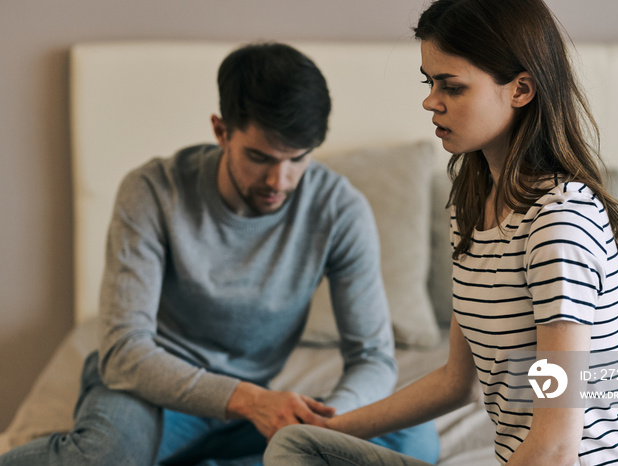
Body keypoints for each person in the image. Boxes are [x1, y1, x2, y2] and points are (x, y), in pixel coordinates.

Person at [0, 42, 439, 466]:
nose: (280, 180)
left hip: (255, 409)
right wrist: (249, 400)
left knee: (413, 438)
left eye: (298, 159)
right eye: (260, 157)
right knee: (104, 457)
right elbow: (122, 352)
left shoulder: (340, 209)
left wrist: (327, 425)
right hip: (147, 394)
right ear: (220, 131)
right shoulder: (153, 191)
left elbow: (373, 357)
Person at [263, 0, 618, 465]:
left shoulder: (559, 224)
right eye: (430, 82)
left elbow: (557, 446)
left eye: (453, 87)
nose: (430, 100)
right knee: (300, 446)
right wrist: (332, 427)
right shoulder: (471, 208)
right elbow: (455, 382)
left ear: (521, 89)